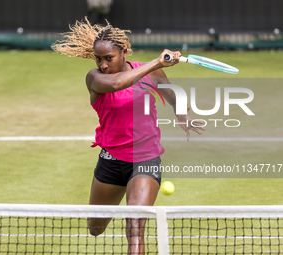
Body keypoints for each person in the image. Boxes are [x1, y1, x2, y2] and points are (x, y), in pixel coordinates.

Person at [52, 18, 204, 255]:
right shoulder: (95, 78)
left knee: (135, 225)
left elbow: (174, 95)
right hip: (111, 161)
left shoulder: (153, 74)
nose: (102, 64)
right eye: (98, 59)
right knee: (95, 228)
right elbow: (116, 84)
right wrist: (155, 63)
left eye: (108, 58)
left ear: (124, 52)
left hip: (145, 160)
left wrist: (181, 115)